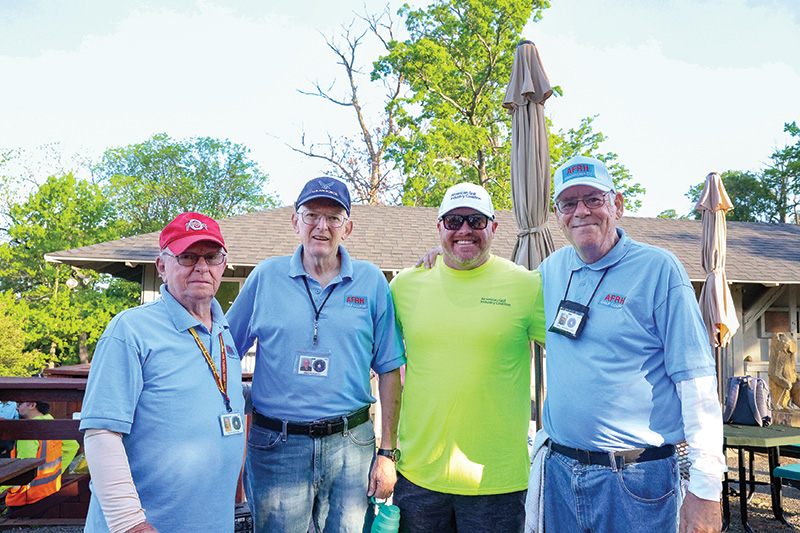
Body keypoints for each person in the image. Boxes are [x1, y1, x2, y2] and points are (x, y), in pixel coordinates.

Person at [539, 156, 724, 532]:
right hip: (560, 474)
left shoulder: (660, 269)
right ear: (557, 215)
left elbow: (698, 385)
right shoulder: (550, 270)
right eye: (568, 203)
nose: (581, 211)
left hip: (637, 480)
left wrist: (706, 490)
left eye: (593, 199)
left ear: (618, 205)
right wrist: (436, 261)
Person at [226, 177, 406, 532]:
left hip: (351, 446)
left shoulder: (371, 283)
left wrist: (386, 453)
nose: (322, 226)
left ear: (348, 227)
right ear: (296, 222)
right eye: (311, 215)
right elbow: (225, 351)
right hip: (276, 445)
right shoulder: (266, 277)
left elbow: (390, 369)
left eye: (334, 217)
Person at [389, 182, 546, 532]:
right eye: (454, 221)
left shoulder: (527, 286)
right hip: (418, 478)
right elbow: (376, 359)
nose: (464, 230)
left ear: (493, 227)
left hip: (497, 483)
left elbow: (574, 352)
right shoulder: (405, 286)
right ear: (439, 226)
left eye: (475, 221)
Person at [80, 212, 245, 532]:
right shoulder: (130, 330)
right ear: (161, 266)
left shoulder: (224, 332)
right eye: (187, 256)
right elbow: (101, 433)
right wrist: (130, 523)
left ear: (223, 265)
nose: (202, 267)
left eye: (212, 257)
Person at [2, 401, 79, 508]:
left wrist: (3, 488)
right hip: (48, 490)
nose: (16, 408)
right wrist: (57, 472)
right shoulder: (53, 424)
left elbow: (23, 468)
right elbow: (72, 446)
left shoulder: (28, 430)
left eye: (20, 404)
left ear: (33, 405)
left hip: (25, 498)